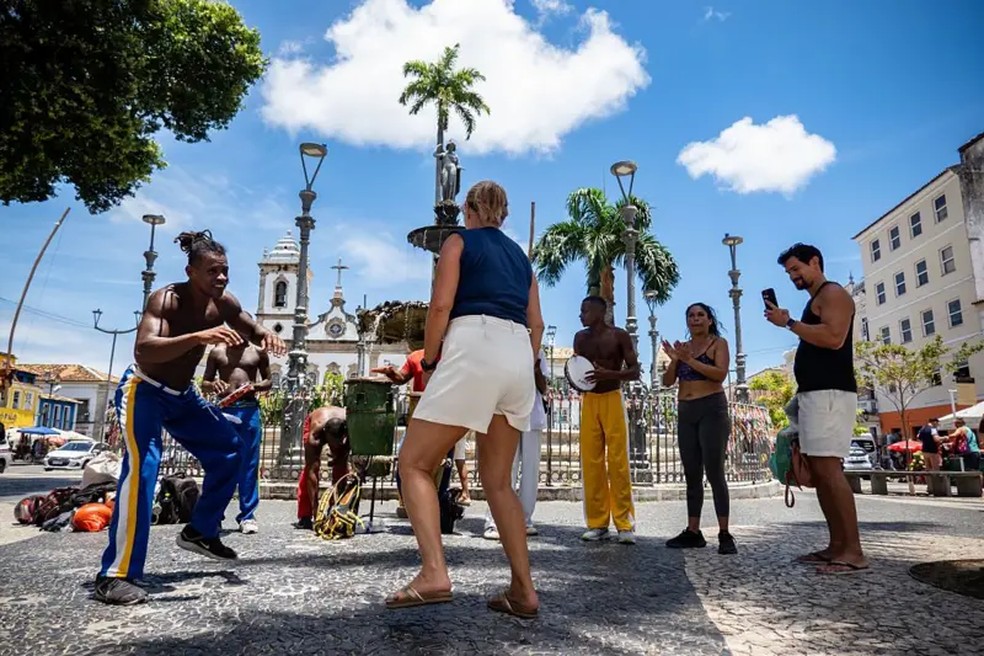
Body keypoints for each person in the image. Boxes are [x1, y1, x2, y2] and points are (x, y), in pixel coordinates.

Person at [93, 230, 287, 605]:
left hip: (183, 397)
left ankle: (200, 531)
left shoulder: (224, 303)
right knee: (144, 469)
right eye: (213, 271)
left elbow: (250, 324)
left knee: (231, 450)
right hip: (145, 390)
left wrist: (267, 336)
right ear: (191, 271)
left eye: (225, 270)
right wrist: (198, 338)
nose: (222, 278)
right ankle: (114, 575)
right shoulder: (166, 300)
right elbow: (145, 350)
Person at [385, 180, 544, 619]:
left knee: (414, 463)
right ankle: (523, 591)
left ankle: (434, 572)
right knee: (497, 482)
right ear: (505, 214)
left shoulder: (458, 242)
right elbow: (538, 324)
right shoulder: (521, 260)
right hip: (517, 356)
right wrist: (518, 366)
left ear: (468, 210)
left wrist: (432, 360)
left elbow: (440, 306)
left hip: (475, 343)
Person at [765, 243, 868, 575]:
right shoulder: (815, 300)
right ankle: (836, 545)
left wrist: (789, 323)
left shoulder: (833, 293)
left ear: (816, 262)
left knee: (830, 471)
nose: (793, 276)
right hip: (815, 394)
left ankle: (853, 551)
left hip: (830, 394)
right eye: (789, 272)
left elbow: (834, 337)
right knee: (822, 475)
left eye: (797, 268)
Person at [661, 303, 737, 555]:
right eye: (691, 315)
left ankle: (724, 533)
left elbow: (719, 374)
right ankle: (693, 531)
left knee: (715, 471)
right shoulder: (684, 348)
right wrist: (675, 360)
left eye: (700, 315)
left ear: (709, 320)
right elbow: (668, 381)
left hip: (711, 409)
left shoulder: (718, 343)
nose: (695, 319)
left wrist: (689, 360)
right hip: (686, 411)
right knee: (691, 473)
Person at [573, 296, 641, 545]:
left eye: (585, 310)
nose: (581, 315)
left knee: (618, 461)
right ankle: (597, 523)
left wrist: (608, 374)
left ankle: (624, 524)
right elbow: (577, 370)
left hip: (612, 396)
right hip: (589, 400)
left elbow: (634, 371)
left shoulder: (619, 335)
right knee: (591, 461)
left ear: (601, 312)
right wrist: (576, 381)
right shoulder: (580, 338)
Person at [201, 328, 272, 534]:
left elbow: (269, 381)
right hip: (224, 409)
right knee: (219, 462)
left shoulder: (258, 352)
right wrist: (213, 384)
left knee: (249, 463)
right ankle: (215, 515)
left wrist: (254, 387)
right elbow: (205, 382)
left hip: (249, 410)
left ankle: (247, 515)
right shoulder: (217, 352)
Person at [371, 349, 455, 517]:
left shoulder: (452, 353)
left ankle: (436, 508)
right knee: (404, 462)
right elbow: (402, 378)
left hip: (446, 418)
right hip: (417, 419)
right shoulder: (416, 356)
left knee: (443, 466)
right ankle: (411, 505)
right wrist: (391, 373)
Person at [484, 348, 548, 540]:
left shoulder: (539, 352)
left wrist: (535, 370)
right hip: (506, 411)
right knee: (504, 467)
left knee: (531, 468)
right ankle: (494, 521)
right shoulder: (503, 345)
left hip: (531, 414)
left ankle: (525, 520)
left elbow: (543, 387)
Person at [294, 406, 350, 530]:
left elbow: (342, 465)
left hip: (340, 426)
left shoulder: (349, 430)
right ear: (325, 435)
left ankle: (336, 510)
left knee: (341, 470)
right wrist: (316, 511)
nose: (334, 446)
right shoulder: (314, 435)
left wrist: (339, 455)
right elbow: (312, 472)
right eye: (332, 442)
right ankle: (306, 514)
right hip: (317, 420)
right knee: (309, 469)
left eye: (338, 442)